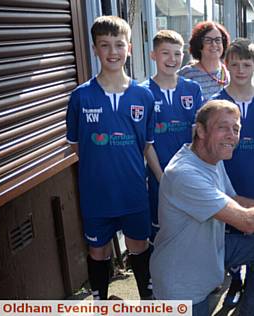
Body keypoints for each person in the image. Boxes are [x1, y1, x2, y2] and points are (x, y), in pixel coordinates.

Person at [149, 100, 254, 316]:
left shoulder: (211, 158)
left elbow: (236, 200)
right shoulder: (185, 174)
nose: (232, 135)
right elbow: (247, 221)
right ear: (200, 130)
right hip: (182, 284)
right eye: (222, 127)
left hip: (211, 249)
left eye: (236, 129)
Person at [65, 16, 154, 300]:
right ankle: (100, 300)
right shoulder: (81, 97)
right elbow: (78, 147)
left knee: (138, 245)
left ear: (129, 47)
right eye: (105, 45)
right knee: (97, 249)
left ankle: (147, 299)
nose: (112, 52)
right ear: (95, 49)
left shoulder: (144, 95)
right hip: (97, 194)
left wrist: (162, 179)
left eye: (118, 45)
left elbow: (146, 145)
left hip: (133, 192)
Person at [210, 38, 254, 307]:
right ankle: (234, 281)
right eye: (234, 64)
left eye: (246, 64)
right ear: (226, 65)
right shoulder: (215, 102)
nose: (240, 70)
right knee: (230, 232)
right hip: (227, 180)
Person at [141, 29, 202, 241]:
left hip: (189, 174)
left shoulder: (192, 89)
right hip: (160, 177)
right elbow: (146, 144)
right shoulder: (143, 92)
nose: (172, 59)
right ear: (153, 55)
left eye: (177, 53)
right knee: (162, 234)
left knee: (190, 230)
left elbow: (198, 133)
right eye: (165, 53)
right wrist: (161, 177)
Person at [179, 21, 230, 100]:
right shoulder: (187, 74)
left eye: (218, 40)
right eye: (208, 40)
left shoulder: (229, 73)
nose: (214, 44)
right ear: (199, 44)